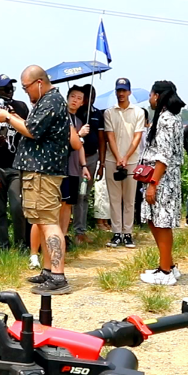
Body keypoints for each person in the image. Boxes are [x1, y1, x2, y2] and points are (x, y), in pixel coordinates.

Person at [0, 65, 75, 295]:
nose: (25, 92)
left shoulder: (51, 101)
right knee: (42, 220)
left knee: (48, 222)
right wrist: (15, 118)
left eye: (26, 87)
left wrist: (8, 117)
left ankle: (58, 276)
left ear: (38, 83)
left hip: (43, 171)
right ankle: (48, 271)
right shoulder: (47, 101)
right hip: (39, 170)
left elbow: (32, 131)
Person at [139, 81, 186, 286]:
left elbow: (164, 155)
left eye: (151, 94)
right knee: (153, 220)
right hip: (163, 176)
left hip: (162, 177)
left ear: (157, 96)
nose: (149, 99)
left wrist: (153, 184)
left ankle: (165, 271)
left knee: (162, 222)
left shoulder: (167, 119)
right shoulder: (171, 117)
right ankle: (169, 264)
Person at [0, 75, 31, 254]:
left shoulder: (21, 107)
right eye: (6, 88)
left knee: (17, 207)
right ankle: (3, 247)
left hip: (16, 165)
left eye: (12, 87)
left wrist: (11, 116)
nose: (10, 91)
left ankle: (21, 245)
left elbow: (29, 129)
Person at [103, 77, 147, 249]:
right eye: (118, 90)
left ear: (129, 92)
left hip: (132, 160)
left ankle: (127, 233)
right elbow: (110, 136)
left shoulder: (138, 112)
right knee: (114, 198)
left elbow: (137, 137)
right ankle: (116, 233)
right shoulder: (109, 112)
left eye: (124, 90)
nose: (121, 94)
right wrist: (118, 156)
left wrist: (126, 157)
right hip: (112, 159)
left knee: (129, 198)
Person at [73, 85, 106, 244]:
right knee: (75, 196)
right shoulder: (75, 113)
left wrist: (102, 162)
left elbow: (101, 139)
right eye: (87, 96)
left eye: (93, 96)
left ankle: (81, 230)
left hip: (92, 160)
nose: (90, 99)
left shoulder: (97, 114)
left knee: (84, 195)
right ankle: (76, 231)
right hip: (75, 160)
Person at [61, 87, 91, 244]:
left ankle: (64, 236)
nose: (75, 100)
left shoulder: (79, 121)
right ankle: (57, 236)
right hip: (61, 167)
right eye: (72, 96)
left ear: (82, 102)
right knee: (60, 203)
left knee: (69, 205)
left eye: (79, 98)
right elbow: (65, 141)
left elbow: (80, 146)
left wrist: (84, 166)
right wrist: (79, 135)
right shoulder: (60, 117)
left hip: (74, 168)